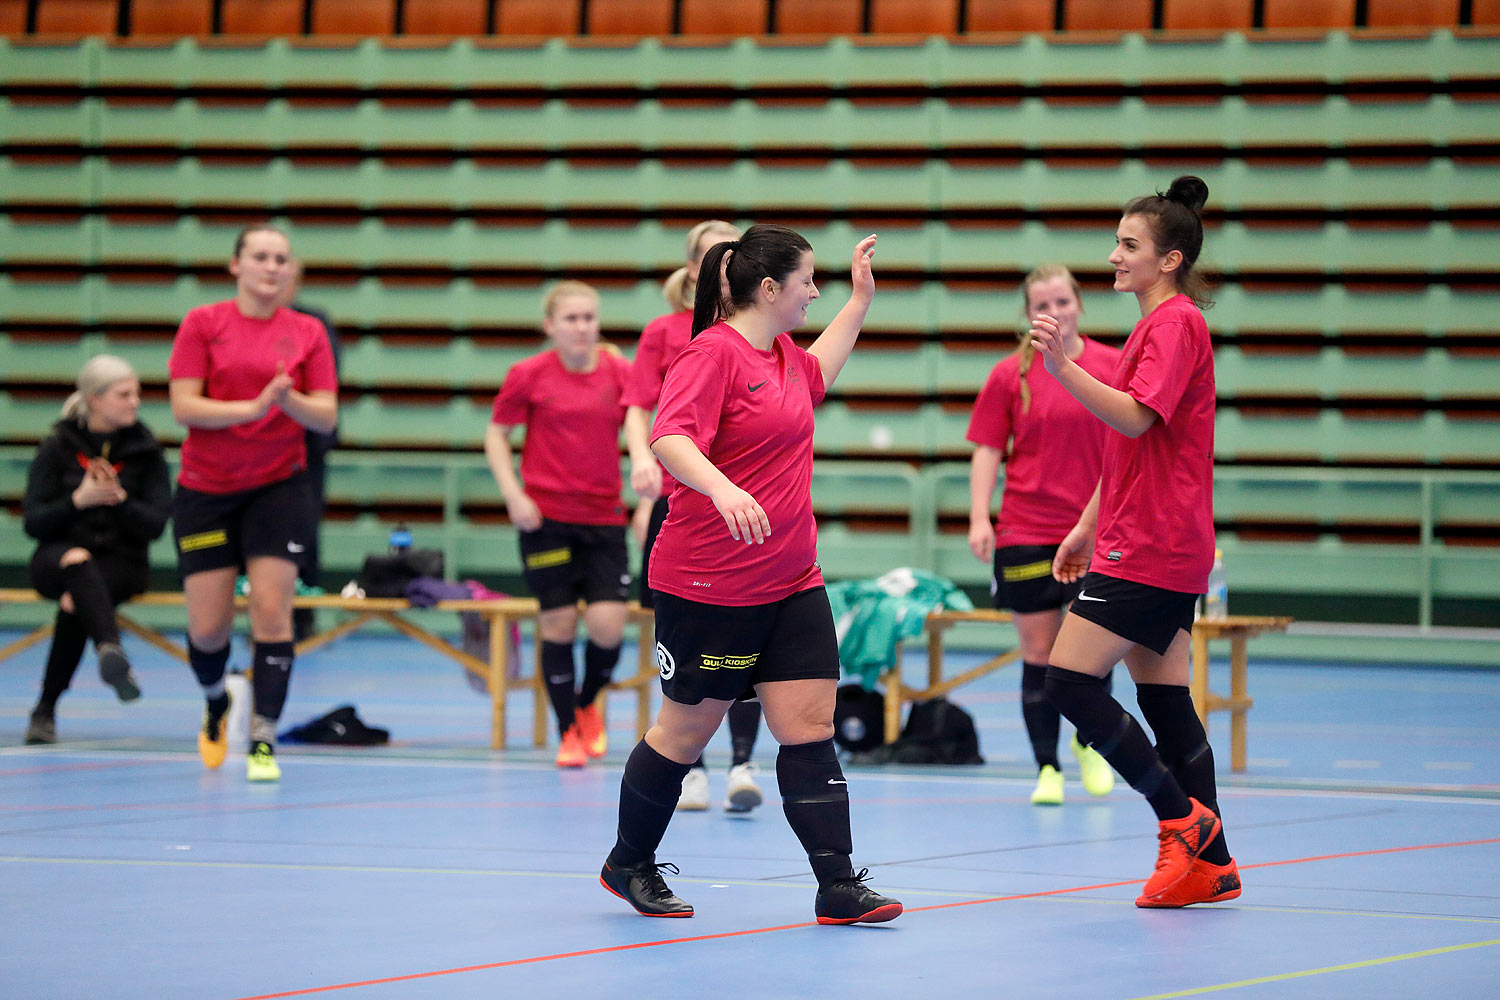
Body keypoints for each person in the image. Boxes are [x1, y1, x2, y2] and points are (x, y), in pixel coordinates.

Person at [599, 224, 902, 925]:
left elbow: (823, 363)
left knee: (810, 726)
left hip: (792, 578)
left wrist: (859, 302)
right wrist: (723, 489)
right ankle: (628, 861)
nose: (814, 293)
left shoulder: (786, 357)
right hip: (709, 583)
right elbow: (670, 436)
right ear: (770, 288)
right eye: (808, 282)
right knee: (684, 734)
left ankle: (838, 887)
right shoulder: (712, 355)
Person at [1029, 176, 1238, 908]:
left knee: (1067, 681)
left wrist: (1063, 367)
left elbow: (1137, 418)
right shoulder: (1156, 328)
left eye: (1128, 244)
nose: (1113, 255)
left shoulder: (1177, 324)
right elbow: (1134, 447)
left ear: (1170, 259)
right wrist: (1088, 523)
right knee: (1166, 698)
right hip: (1148, 536)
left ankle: (1181, 821)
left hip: (1153, 542)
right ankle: (1214, 864)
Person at [169, 224, 338, 782]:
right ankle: (216, 700)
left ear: (291, 271)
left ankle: (263, 737)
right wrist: (251, 408)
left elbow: (327, 415)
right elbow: (185, 407)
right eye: (260, 257)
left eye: (281, 259)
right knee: (210, 629)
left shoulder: (308, 331)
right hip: (206, 489)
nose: (271, 267)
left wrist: (288, 402)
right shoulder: (203, 324)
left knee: (272, 609)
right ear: (235, 265)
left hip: (278, 486)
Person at [624, 219, 767, 814]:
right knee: (693, 641)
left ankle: (742, 762)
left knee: (754, 636)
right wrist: (641, 467)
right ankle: (692, 767)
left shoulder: (763, 335)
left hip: (749, 506)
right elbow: (642, 411)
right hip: (686, 500)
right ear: (693, 269)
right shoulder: (667, 333)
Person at [967, 265, 1120, 806]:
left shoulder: (1112, 365)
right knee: (1038, 650)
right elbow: (987, 448)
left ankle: (1090, 743)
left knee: (1090, 653)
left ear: (1080, 304)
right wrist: (979, 517)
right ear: (1030, 314)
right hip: (1026, 532)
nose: (1055, 312)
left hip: (1096, 532)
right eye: (1043, 304)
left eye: (1063, 300)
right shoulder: (1011, 374)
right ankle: (1048, 768)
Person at [485, 281, 633, 769]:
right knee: (559, 623)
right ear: (550, 325)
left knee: (608, 626)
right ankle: (568, 730)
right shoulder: (528, 374)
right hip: (544, 518)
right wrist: (514, 494)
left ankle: (587, 702)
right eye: (571, 318)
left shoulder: (618, 373)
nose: (581, 327)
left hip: (604, 518)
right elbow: (496, 434)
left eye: (589, 317)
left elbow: (639, 423)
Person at [21, 355, 171, 744]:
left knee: (77, 598)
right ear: (95, 399)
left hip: (122, 562)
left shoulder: (146, 451)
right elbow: (33, 522)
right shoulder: (56, 447)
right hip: (57, 555)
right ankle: (111, 651)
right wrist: (78, 501)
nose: (135, 402)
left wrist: (120, 500)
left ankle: (46, 709)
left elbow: (154, 526)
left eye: (137, 393)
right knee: (75, 562)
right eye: (124, 394)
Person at [275, 256, 341, 643]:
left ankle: (304, 615)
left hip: (306, 445)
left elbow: (327, 379)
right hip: (254, 445)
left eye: (286, 276)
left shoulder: (314, 324)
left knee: (304, 530)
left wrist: (288, 399)